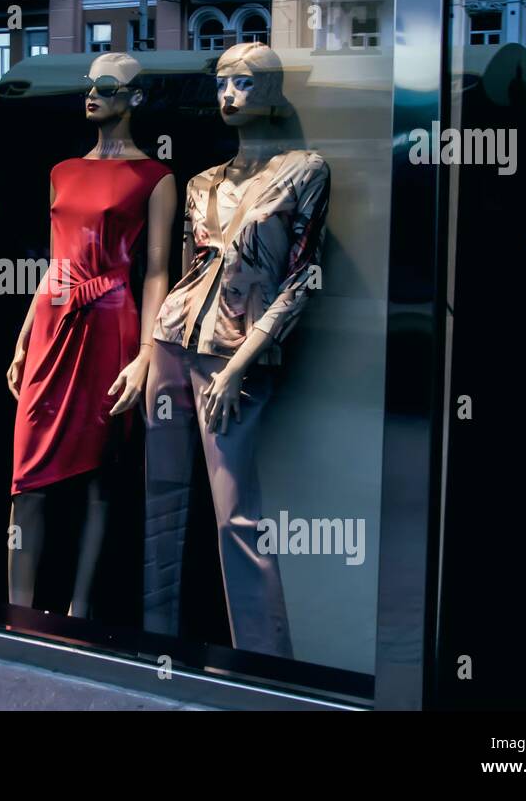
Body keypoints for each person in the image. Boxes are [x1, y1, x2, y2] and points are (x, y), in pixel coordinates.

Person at [143, 42, 330, 658]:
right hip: (172, 341)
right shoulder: (200, 184)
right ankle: (157, 641)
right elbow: (185, 275)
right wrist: (148, 351)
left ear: (273, 94)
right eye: (223, 83)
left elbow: (302, 279)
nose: (228, 95)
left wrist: (243, 364)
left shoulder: (304, 171)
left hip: (234, 356)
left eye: (244, 83)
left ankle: (266, 666)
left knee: (236, 517)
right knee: (162, 498)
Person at [6, 52, 177, 617]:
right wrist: (24, 335)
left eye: (109, 85)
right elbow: (55, 262)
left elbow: (156, 271)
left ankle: (81, 612)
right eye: (91, 84)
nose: (94, 92)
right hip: (54, 319)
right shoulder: (61, 171)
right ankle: (20, 614)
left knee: (99, 480)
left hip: (110, 325)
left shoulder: (155, 177)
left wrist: (148, 351)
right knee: (28, 479)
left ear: (135, 99)